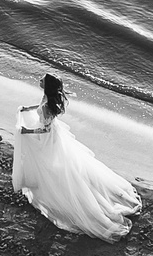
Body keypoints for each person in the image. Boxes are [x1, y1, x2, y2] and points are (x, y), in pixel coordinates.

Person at [12, 73, 140, 239]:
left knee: (51, 167)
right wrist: (27, 108)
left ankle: (57, 194)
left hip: (47, 139)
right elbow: (41, 106)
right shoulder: (48, 98)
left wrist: (26, 131)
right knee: (59, 165)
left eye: (42, 80)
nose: (40, 80)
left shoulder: (48, 105)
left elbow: (45, 128)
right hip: (53, 136)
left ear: (47, 85)